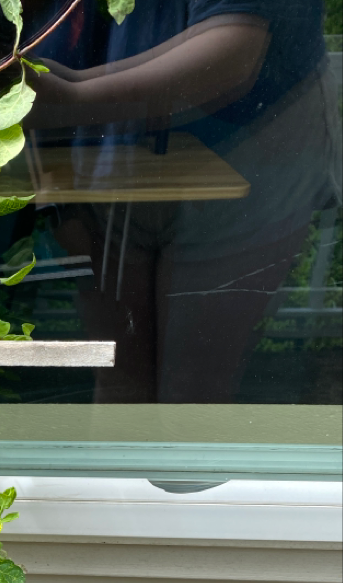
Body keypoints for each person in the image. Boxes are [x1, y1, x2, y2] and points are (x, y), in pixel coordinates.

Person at [27, 0, 341, 403]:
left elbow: (233, 48)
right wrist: (73, 96)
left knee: (193, 387)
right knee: (122, 376)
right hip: (109, 157)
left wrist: (74, 98)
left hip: (248, 149)